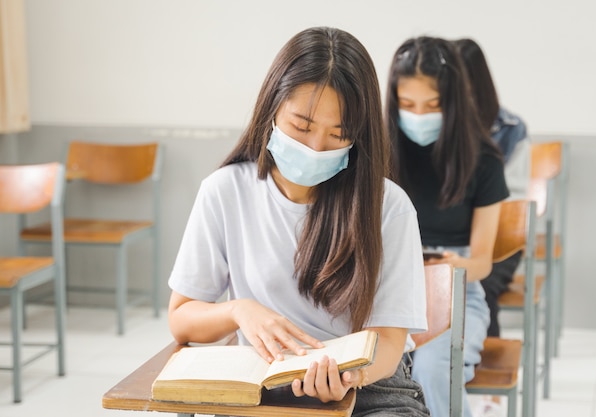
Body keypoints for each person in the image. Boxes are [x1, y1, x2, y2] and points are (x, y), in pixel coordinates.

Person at [167, 27, 431, 416]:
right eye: (302, 126)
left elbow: (389, 346)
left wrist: (345, 378)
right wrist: (239, 310)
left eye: (338, 135)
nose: (315, 148)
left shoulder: (388, 207)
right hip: (264, 386)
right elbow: (182, 318)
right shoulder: (224, 191)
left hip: (368, 388)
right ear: (273, 106)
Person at [384, 36, 509, 417]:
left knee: (432, 369)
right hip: (390, 287)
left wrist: (447, 267)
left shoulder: (483, 159)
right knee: (380, 370)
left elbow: (483, 264)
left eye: (433, 105)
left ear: (452, 104)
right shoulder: (380, 150)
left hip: (457, 290)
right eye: (407, 105)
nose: (418, 115)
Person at [455, 37, 531, 417]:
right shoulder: (438, 132)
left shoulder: (510, 129)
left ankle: (483, 390)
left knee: (480, 285)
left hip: (497, 243)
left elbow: (516, 205)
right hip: (453, 242)